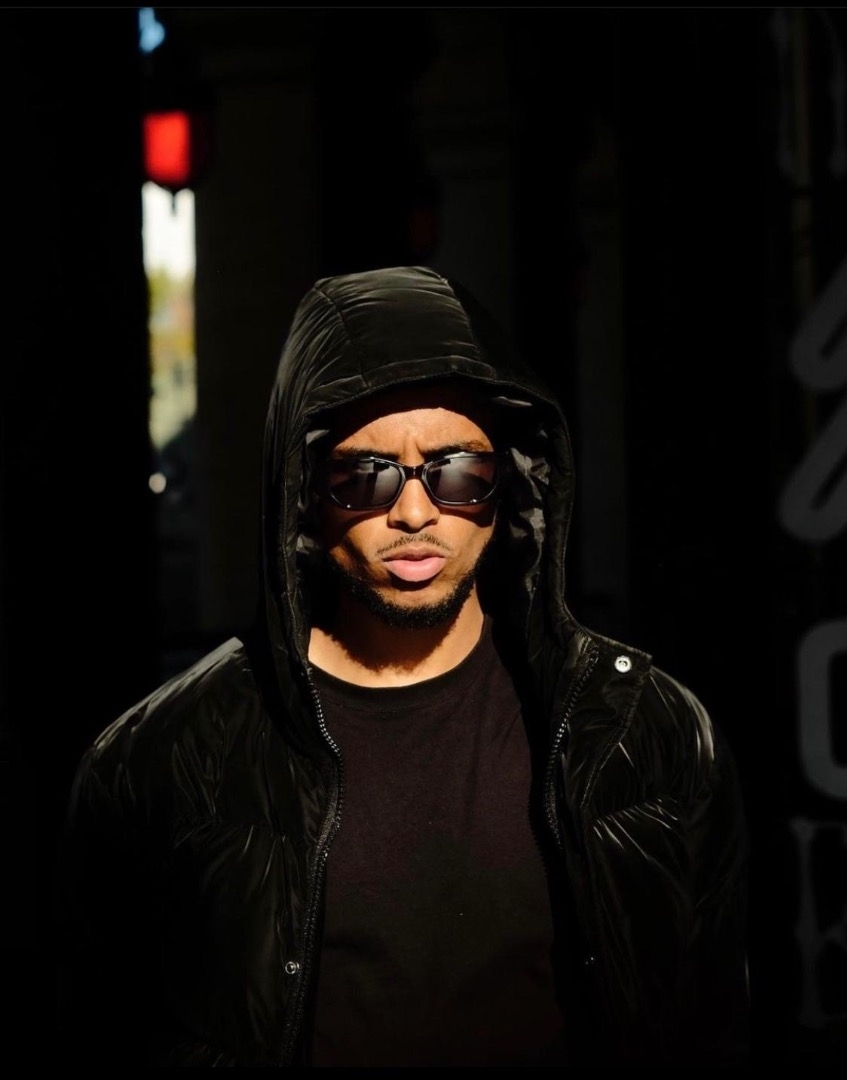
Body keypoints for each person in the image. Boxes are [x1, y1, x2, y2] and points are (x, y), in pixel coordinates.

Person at [55, 264, 750, 1067]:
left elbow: (711, 1026)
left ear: (512, 484)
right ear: (304, 494)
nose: (414, 512)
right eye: (363, 477)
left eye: (457, 473)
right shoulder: (159, 761)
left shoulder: (650, 735)